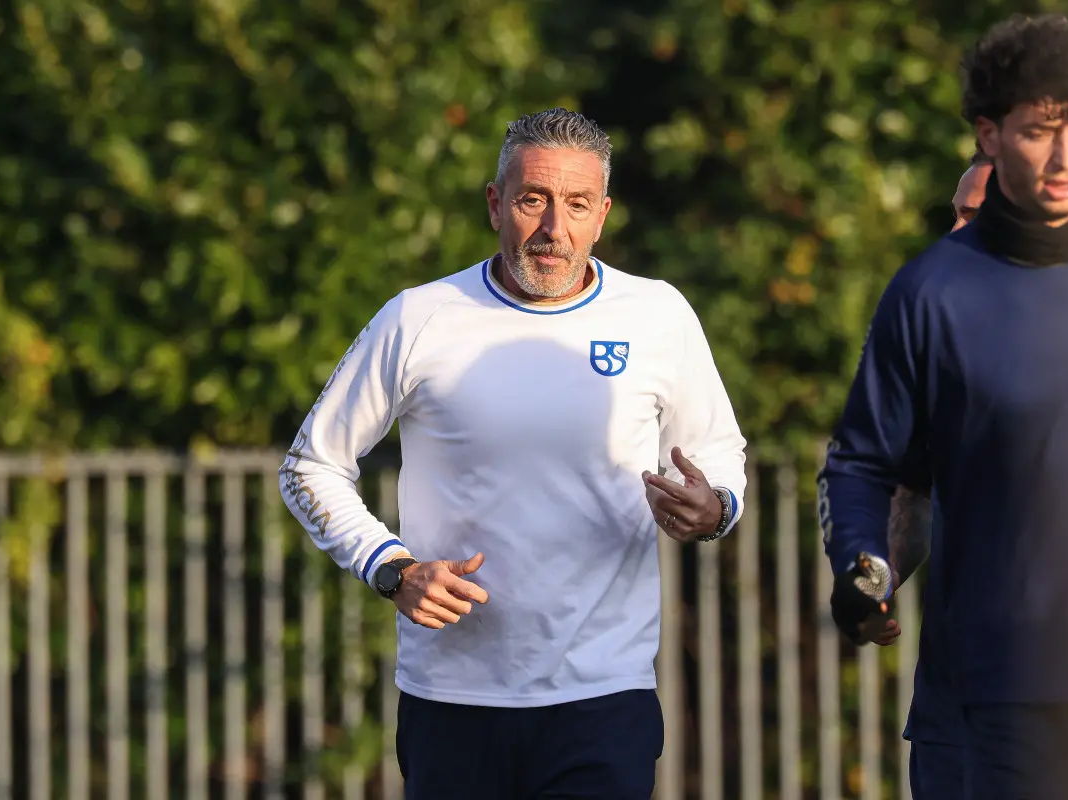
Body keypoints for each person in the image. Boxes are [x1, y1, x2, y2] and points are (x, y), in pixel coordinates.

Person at [278, 108, 747, 800]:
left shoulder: (659, 315)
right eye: (534, 200)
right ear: (496, 204)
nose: (554, 229)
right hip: (454, 699)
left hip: (604, 693)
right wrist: (391, 568)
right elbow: (310, 465)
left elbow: (720, 451)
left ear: (603, 215)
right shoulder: (419, 317)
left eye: (577, 204)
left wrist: (715, 509)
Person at [818, 15, 1068, 799]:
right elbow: (866, 462)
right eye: (1039, 133)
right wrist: (863, 565)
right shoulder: (932, 292)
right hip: (1001, 693)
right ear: (989, 134)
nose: (1064, 158)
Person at [863, 151, 994, 800]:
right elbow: (913, 494)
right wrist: (870, 584)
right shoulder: (932, 338)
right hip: (957, 706)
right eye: (955, 214)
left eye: (978, 215)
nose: (955, 234)